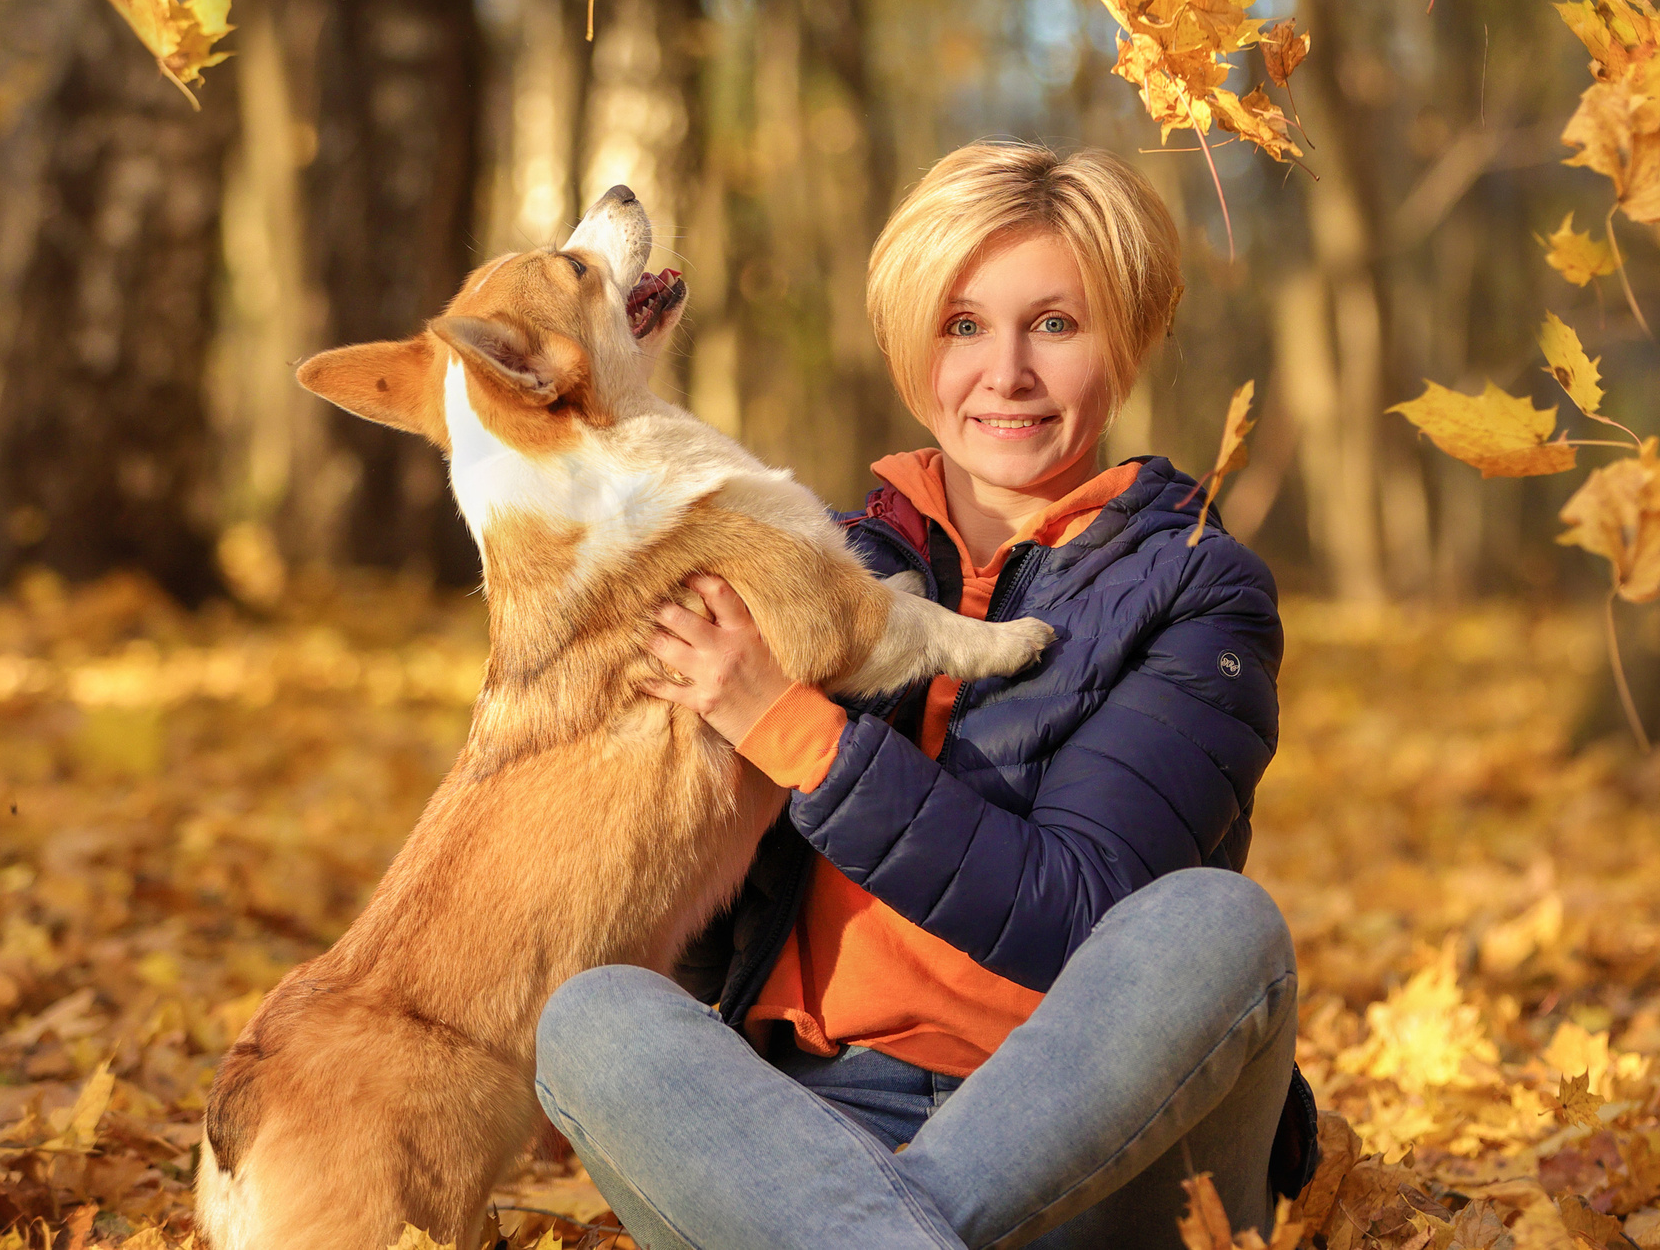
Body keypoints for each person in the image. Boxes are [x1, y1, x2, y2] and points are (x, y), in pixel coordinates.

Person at [534, 142, 1306, 1250]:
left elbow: (1084, 917)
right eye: (961, 326)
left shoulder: (1196, 585)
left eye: (1054, 324)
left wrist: (787, 730)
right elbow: (701, 942)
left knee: (1217, 927)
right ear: (911, 348)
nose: (1005, 375)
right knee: (594, 1016)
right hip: (805, 1139)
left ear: (1123, 342)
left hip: (1095, 1146)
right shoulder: (809, 563)